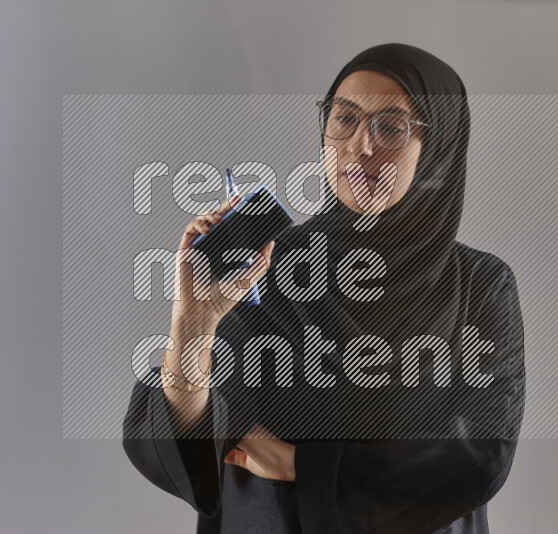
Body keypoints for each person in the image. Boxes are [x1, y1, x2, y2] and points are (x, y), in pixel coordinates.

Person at [122, 42, 526, 534]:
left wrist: (301, 464)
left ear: (437, 151)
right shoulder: (269, 264)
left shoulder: (480, 286)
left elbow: (478, 456)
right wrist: (193, 329)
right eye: (344, 119)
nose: (360, 146)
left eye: (391, 127)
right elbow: (190, 440)